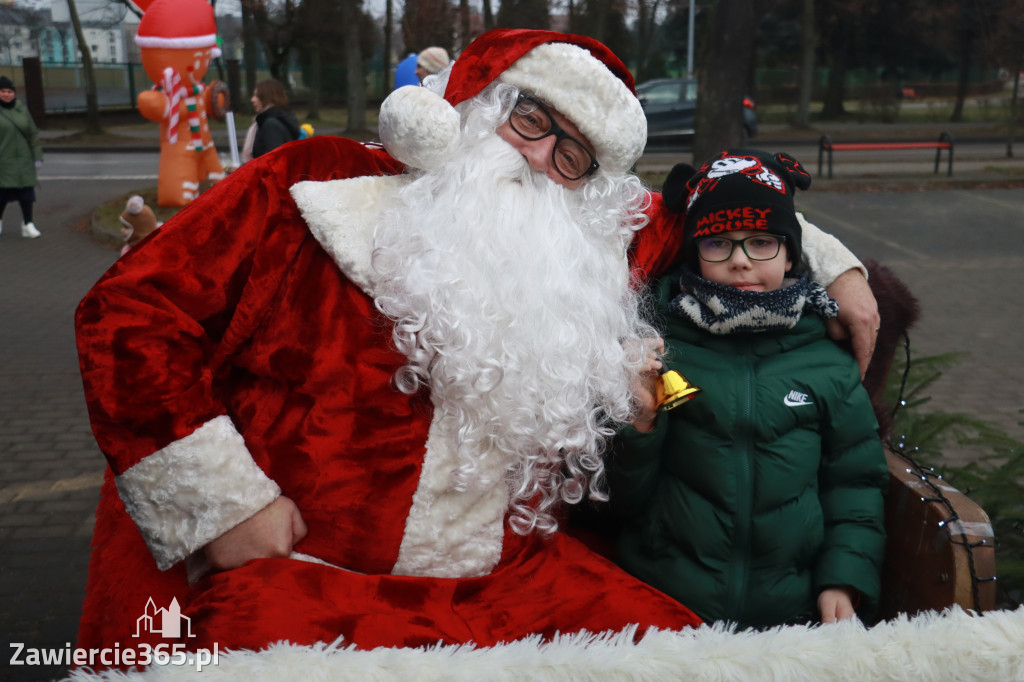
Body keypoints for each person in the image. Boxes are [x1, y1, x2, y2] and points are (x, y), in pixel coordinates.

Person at [74, 29, 874, 670]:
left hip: (512, 589)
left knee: (685, 659)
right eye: (531, 119)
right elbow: (132, 314)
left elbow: (719, 215)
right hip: (310, 576)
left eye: (572, 156)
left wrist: (832, 262)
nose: (537, 159)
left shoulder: (591, 247)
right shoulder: (314, 188)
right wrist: (225, 507)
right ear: (467, 108)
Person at [607, 149, 888, 630]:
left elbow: (854, 484)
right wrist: (640, 423)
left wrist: (843, 578)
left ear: (792, 254)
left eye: (761, 242)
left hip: (789, 613)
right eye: (718, 243)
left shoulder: (825, 362)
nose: (740, 262)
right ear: (695, 251)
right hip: (668, 607)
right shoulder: (658, 347)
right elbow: (620, 503)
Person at [0, 75, 42, 238]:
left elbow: (32, 133)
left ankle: (28, 224)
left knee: (27, 195)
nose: (6, 94)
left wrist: (37, 156)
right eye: (2, 91)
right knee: (2, 195)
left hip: (24, 161)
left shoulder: (22, 109)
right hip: (4, 162)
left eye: (9, 91)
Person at [241, 78, 301, 163]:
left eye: (256, 96)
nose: (252, 100)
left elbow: (273, 164)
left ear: (267, 98)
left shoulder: (271, 125)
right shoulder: (276, 120)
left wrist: (242, 170)